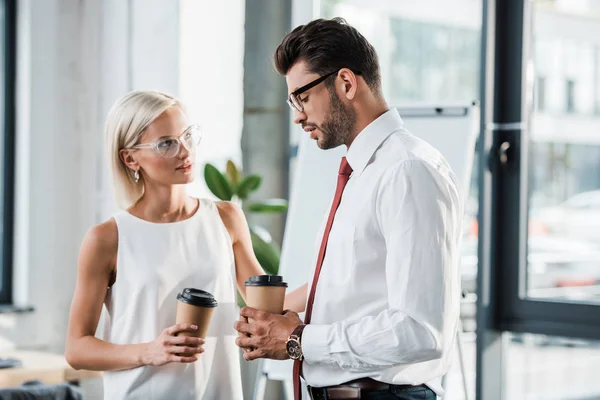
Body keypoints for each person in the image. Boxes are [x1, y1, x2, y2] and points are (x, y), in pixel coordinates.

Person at [234, 18, 463, 400]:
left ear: (345, 83)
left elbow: (420, 330)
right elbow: (351, 293)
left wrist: (298, 339)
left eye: (302, 98)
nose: (297, 115)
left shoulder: (407, 170)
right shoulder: (363, 173)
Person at [65, 90, 264, 400]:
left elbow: (265, 306)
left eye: (187, 136)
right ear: (130, 158)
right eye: (167, 143)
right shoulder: (107, 238)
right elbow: (77, 348)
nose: (185, 151)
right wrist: (150, 352)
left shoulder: (226, 218)